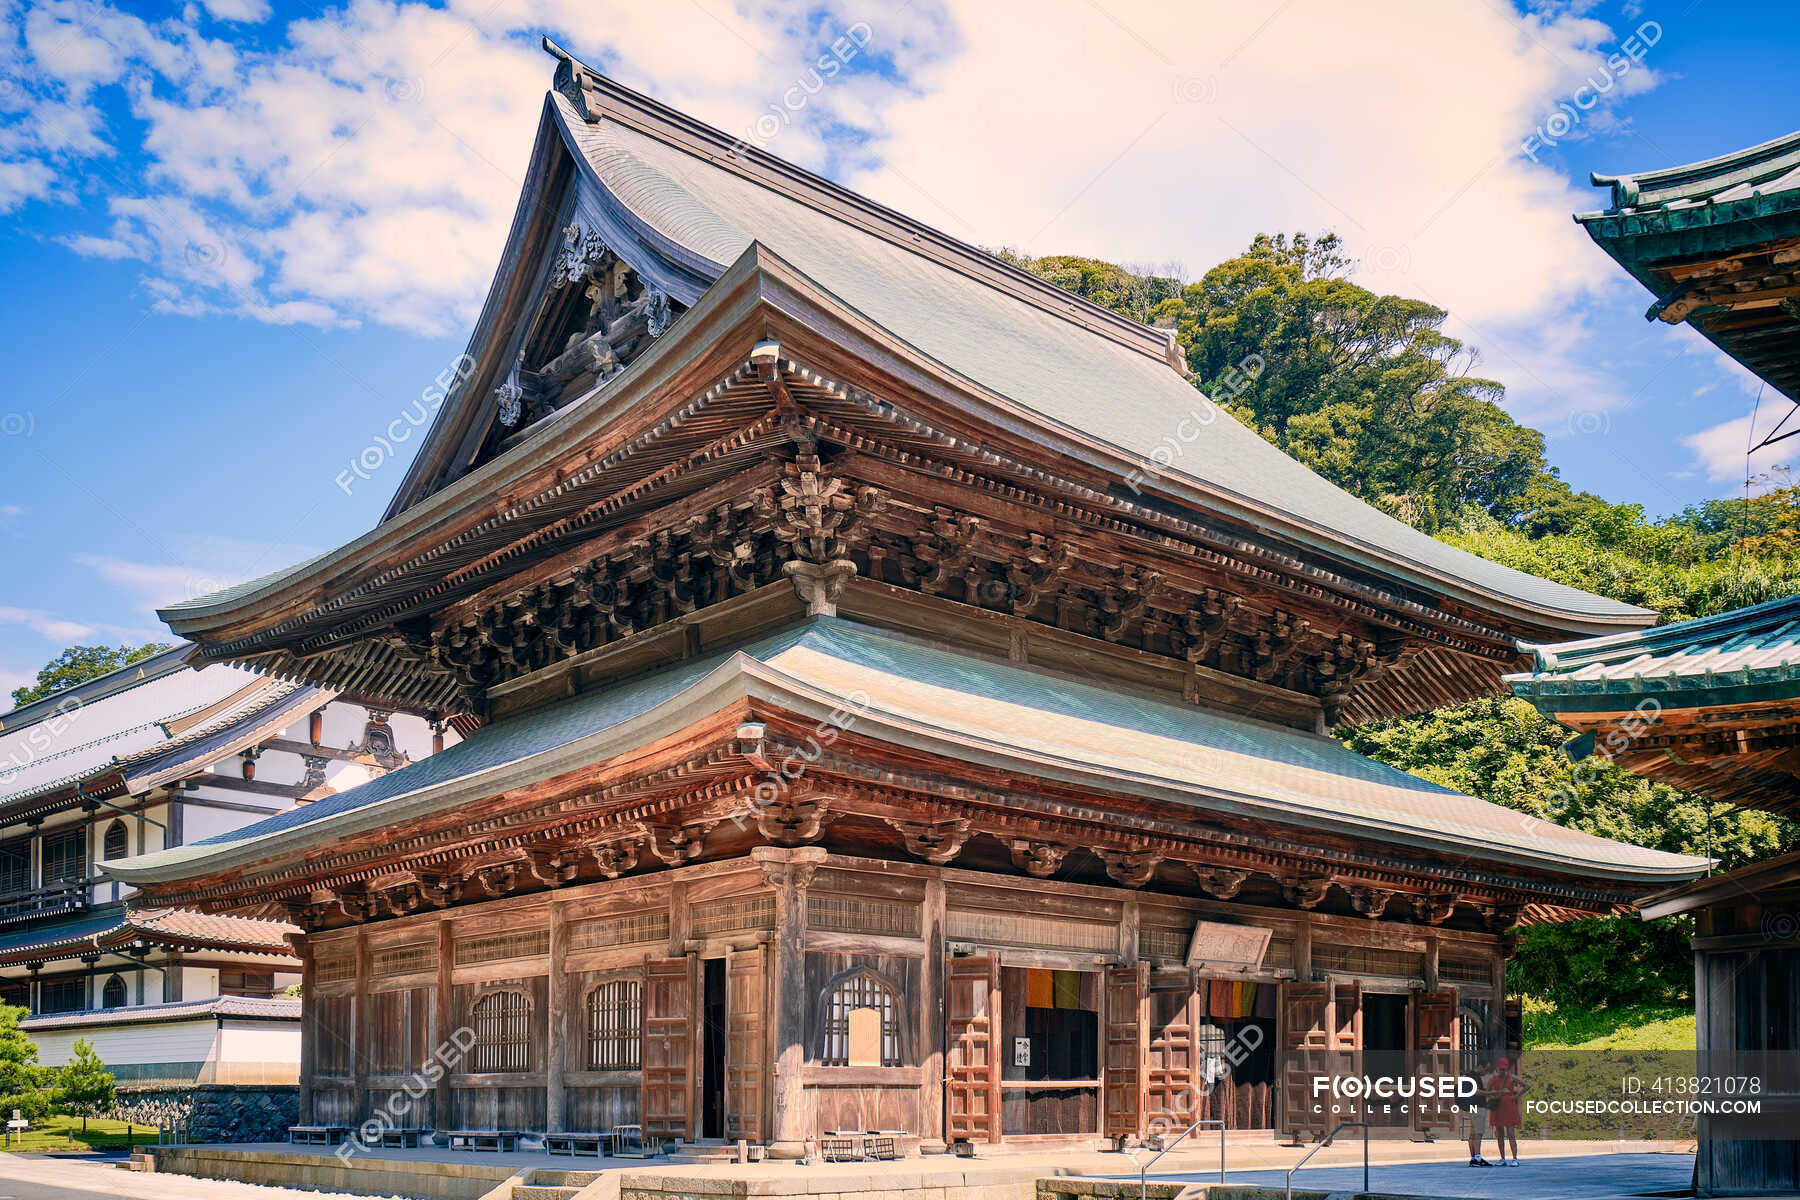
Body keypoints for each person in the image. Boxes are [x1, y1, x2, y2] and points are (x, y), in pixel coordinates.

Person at [1486, 1056, 1527, 1165]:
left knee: (1511, 1133)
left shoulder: (1511, 1077)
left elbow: (1526, 1086)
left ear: (1507, 1068)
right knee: (1499, 1134)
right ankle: (1502, 1158)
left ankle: (1514, 1158)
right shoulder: (1493, 1079)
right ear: (1498, 1068)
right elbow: (1486, 1093)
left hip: (1509, 1107)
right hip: (1498, 1107)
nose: (1502, 1071)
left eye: (1504, 1069)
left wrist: (1516, 1096)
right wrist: (1493, 1095)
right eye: (1501, 1069)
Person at [1465, 1057, 1495, 1167]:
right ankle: (1477, 1158)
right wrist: (1489, 1094)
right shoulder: (1474, 1076)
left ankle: (1474, 1158)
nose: (1486, 1072)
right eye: (1486, 1069)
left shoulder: (1470, 1075)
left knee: (1473, 1133)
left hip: (1472, 1106)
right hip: (1478, 1107)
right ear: (1480, 1066)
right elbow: (1475, 1091)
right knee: (1478, 1133)